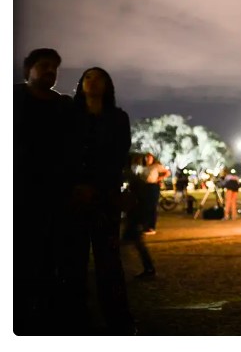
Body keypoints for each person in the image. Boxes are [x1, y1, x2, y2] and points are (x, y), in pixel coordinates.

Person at [61, 67, 135, 334]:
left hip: (106, 198)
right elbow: (62, 154)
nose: (92, 82)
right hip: (74, 197)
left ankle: (118, 320)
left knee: (109, 261)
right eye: (88, 77)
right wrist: (75, 185)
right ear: (81, 84)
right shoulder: (69, 115)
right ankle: (75, 318)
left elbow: (118, 156)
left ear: (108, 85)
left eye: (99, 77)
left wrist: (109, 189)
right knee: (73, 260)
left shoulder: (118, 118)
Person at [13, 48, 73, 334]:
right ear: (29, 70)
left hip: (56, 194)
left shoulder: (64, 106)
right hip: (19, 192)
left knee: (53, 256)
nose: (50, 71)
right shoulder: (13, 99)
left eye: (54, 67)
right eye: (44, 65)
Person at [122, 154, 156, 280]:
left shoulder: (134, 179)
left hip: (136, 216)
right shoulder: (134, 178)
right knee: (135, 243)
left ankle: (147, 268)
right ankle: (148, 268)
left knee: (134, 243)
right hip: (136, 215)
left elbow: (140, 200)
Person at [138, 153, 170, 234]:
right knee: (145, 206)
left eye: (150, 158)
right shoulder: (144, 167)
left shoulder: (156, 166)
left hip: (153, 186)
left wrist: (159, 178)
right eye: (147, 158)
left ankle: (151, 227)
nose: (148, 159)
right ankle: (145, 226)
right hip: (145, 187)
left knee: (152, 206)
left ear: (152, 159)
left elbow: (167, 173)